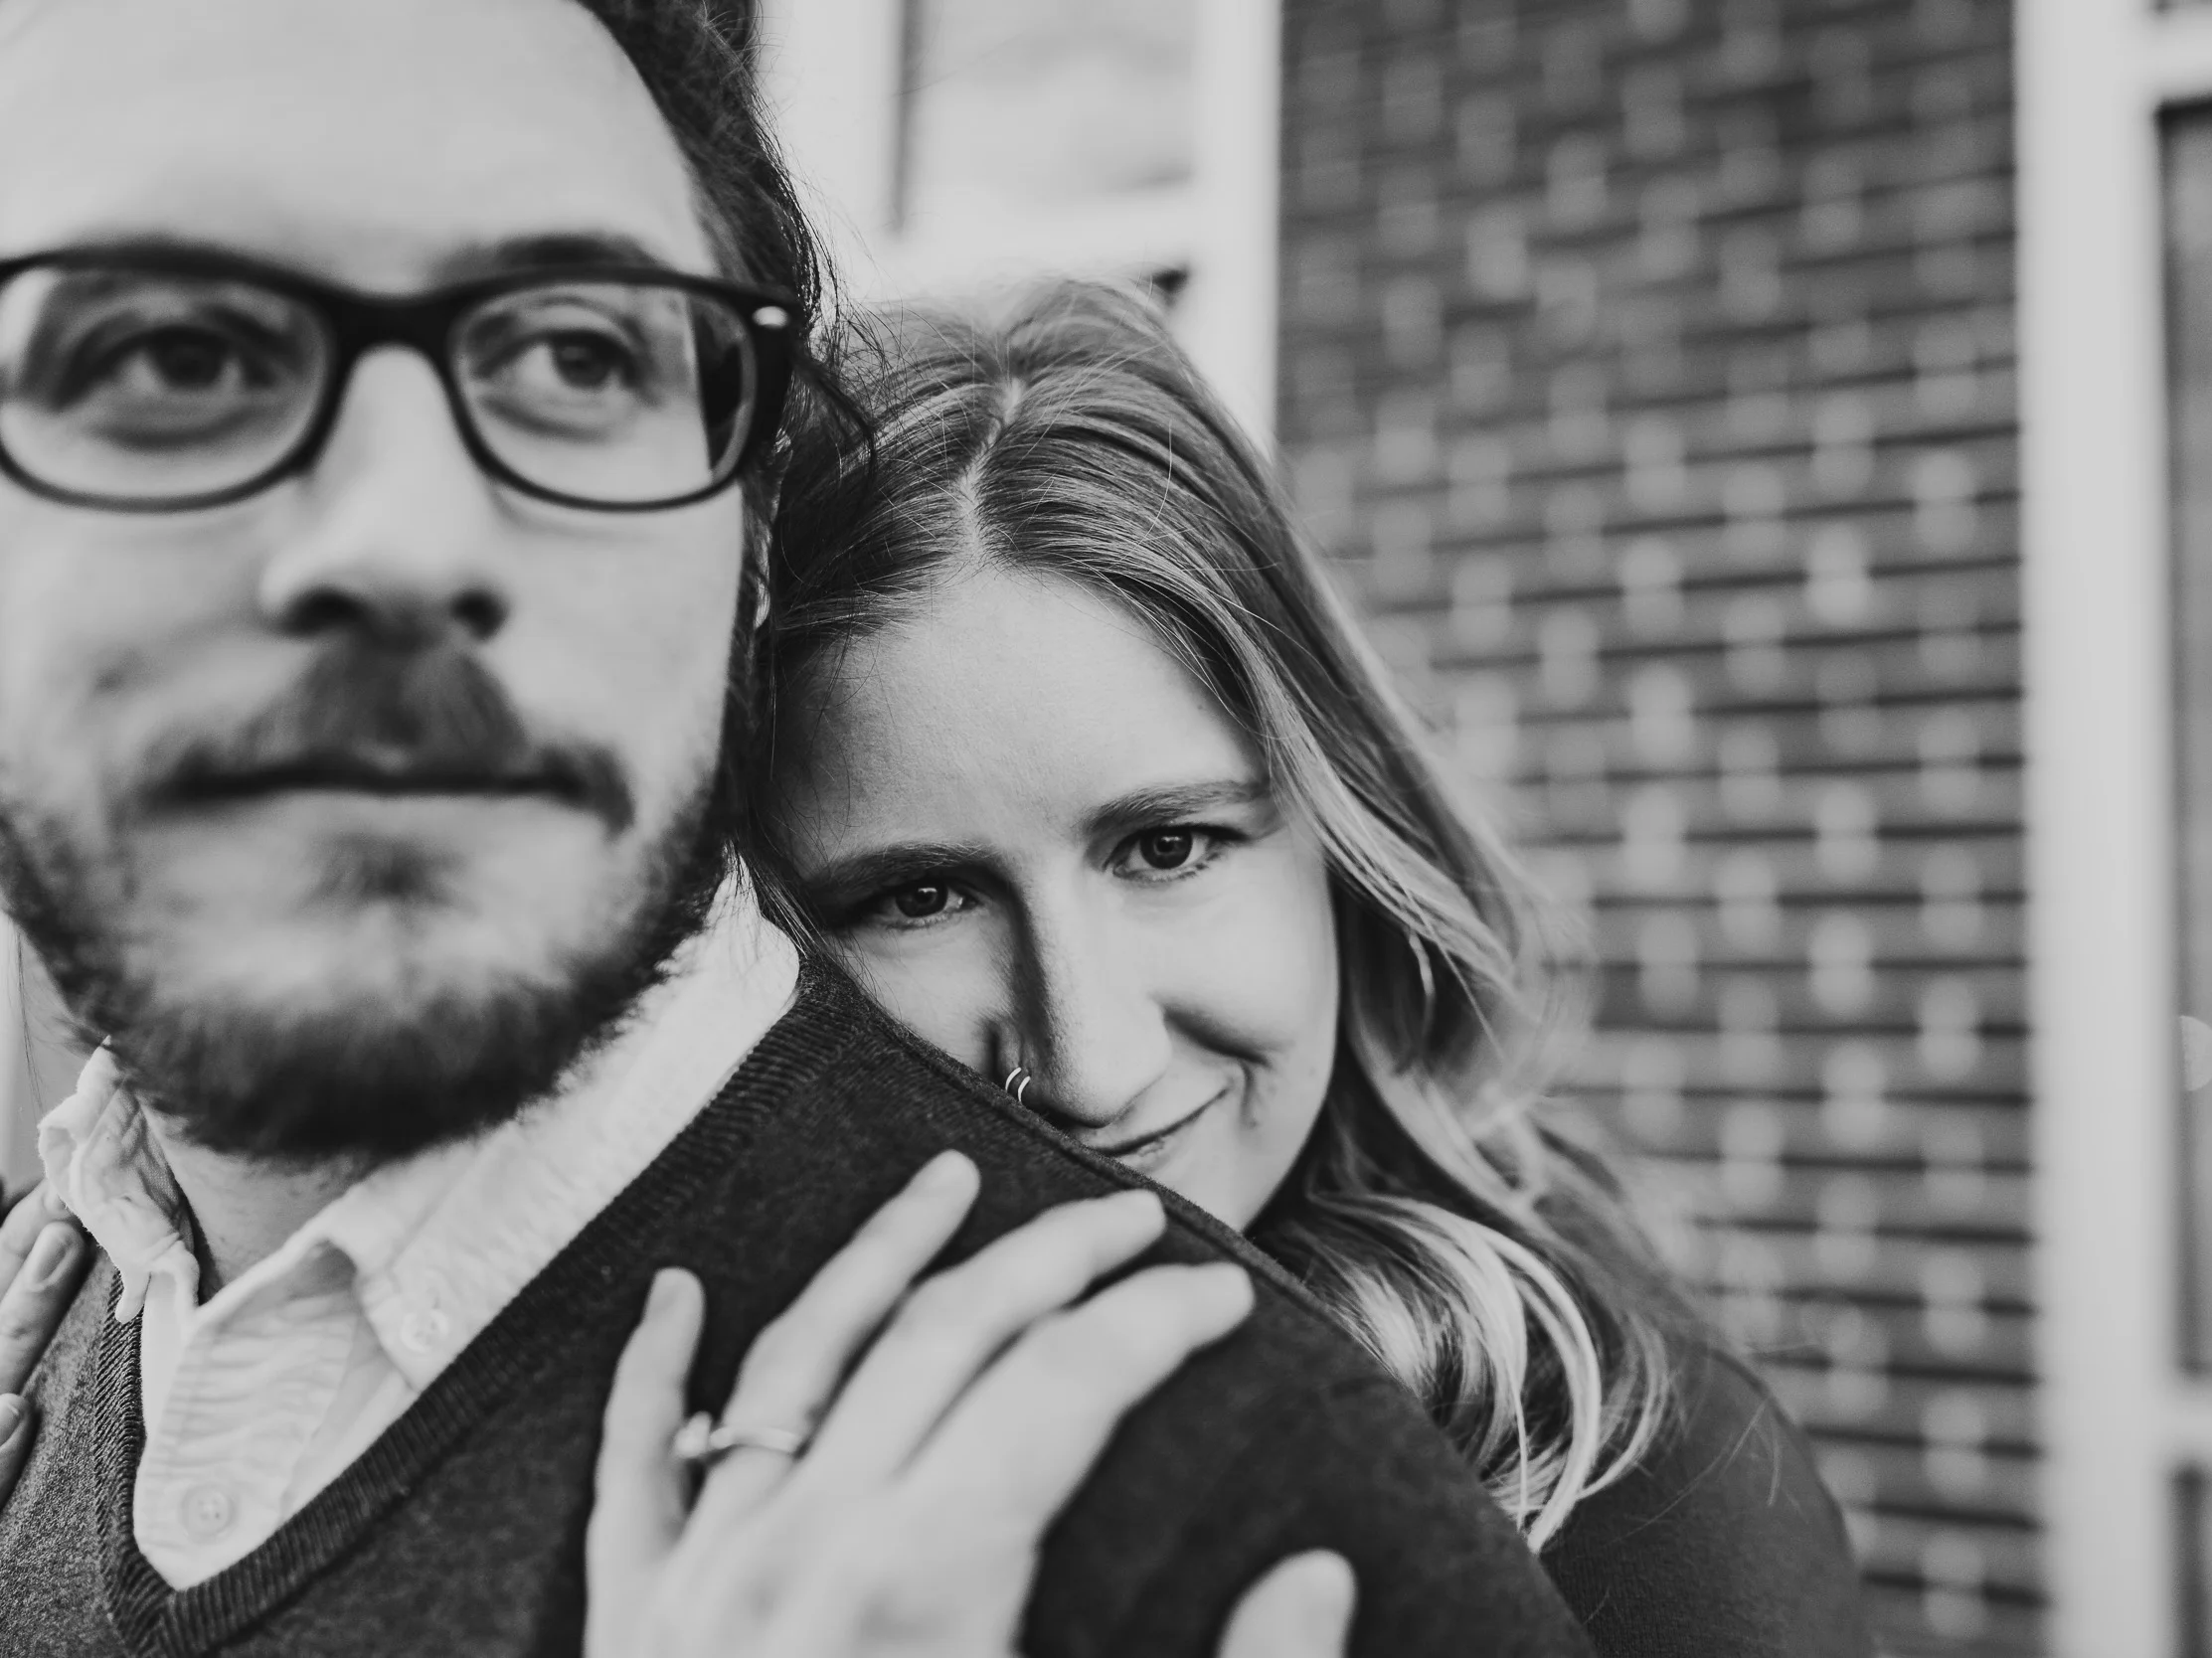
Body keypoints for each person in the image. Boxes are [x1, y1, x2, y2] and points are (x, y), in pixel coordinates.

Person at [0, 1, 1600, 1654]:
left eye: (576, 357)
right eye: (169, 355)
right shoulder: (68, 1317)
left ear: (751, 542)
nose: (405, 540)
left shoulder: (1219, 1538)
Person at [738, 284, 1873, 1655]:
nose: (1092, 1066)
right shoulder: (676, 1438)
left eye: (1168, 847)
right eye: (920, 897)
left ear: (1342, 840)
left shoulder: (1634, 1513)